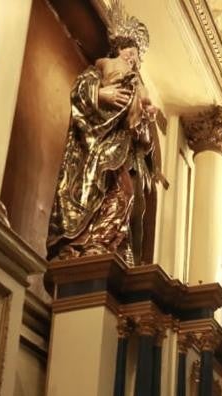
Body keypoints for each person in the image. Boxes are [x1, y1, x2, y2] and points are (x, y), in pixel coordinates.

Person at [47, 17, 168, 264]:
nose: (132, 57)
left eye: (136, 55)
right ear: (118, 50)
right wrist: (103, 94)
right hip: (96, 147)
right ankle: (83, 243)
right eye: (129, 51)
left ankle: (101, 242)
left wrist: (145, 125)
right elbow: (80, 91)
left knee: (126, 193)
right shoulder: (98, 71)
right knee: (97, 189)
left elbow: (144, 145)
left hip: (122, 152)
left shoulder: (137, 90)